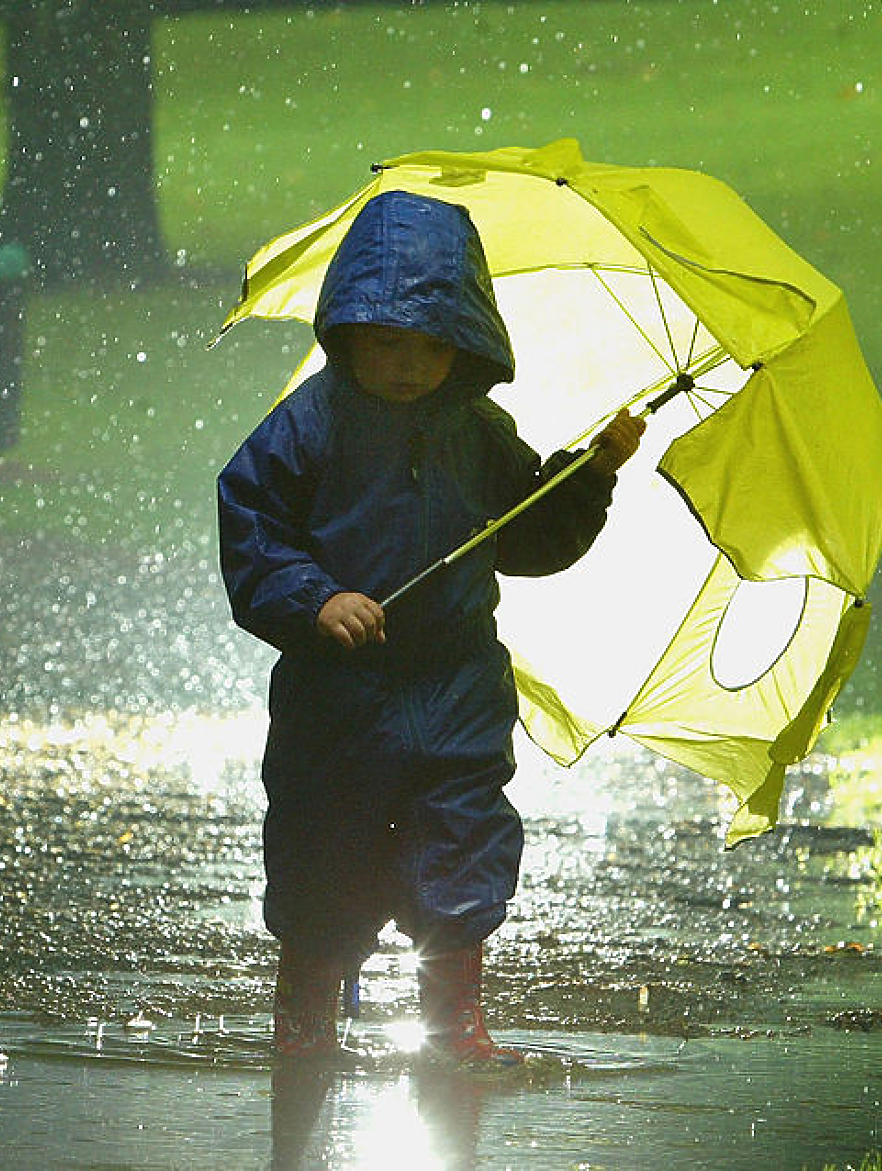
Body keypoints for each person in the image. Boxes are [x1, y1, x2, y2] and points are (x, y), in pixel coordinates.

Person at [217, 189, 644, 1072]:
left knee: (464, 840)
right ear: (346, 332)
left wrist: (589, 475)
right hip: (339, 696)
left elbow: (529, 535)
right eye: (386, 342)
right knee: (323, 848)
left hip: (455, 684)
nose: (409, 365)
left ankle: (454, 1024)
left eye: (431, 344)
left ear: (467, 340)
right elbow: (253, 523)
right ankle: (304, 1021)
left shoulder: (477, 431)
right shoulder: (309, 426)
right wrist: (314, 598)